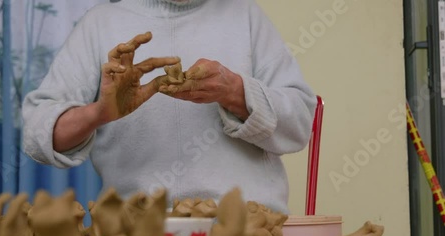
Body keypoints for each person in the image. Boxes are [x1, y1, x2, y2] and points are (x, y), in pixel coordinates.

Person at [22, 0, 317, 213]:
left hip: (246, 231)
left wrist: (236, 92)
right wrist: (100, 112)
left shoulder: (246, 14)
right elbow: (38, 134)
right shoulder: (100, 23)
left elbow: (300, 122)